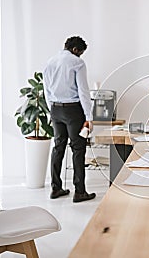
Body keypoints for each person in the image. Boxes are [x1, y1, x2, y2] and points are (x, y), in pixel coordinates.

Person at [43, 36, 96, 203]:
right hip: (73, 111)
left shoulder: (50, 61)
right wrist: (89, 117)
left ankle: (56, 188)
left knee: (58, 147)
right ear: (75, 50)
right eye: (80, 53)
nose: (80, 56)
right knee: (78, 149)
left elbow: (46, 89)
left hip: (55, 109)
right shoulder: (77, 63)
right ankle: (80, 191)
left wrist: (51, 109)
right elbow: (83, 91)